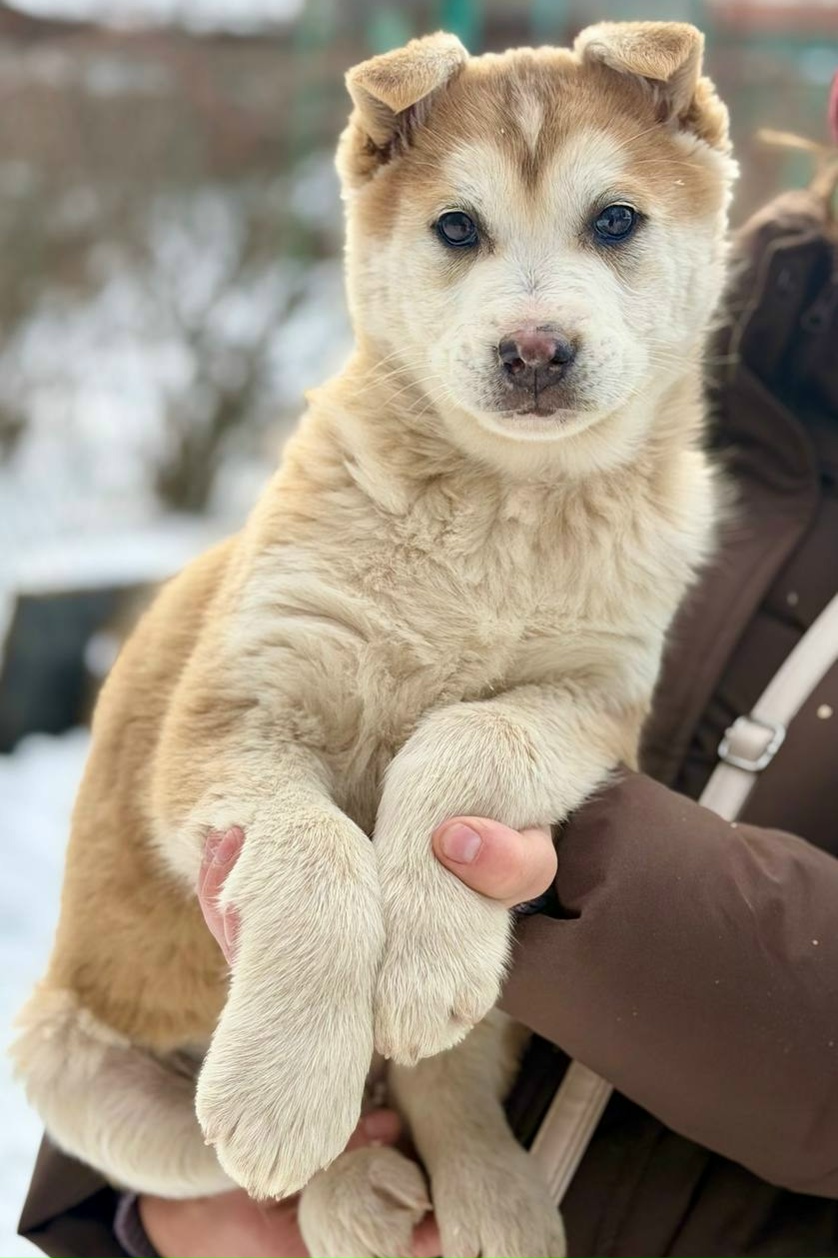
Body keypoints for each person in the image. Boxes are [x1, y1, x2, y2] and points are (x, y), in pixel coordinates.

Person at [19, 117, 838, 1257]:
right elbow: (215, 751)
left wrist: (536, 841)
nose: (536, 328)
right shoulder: (676, 360)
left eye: (610, 226)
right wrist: (152, 1212)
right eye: (462, 229)